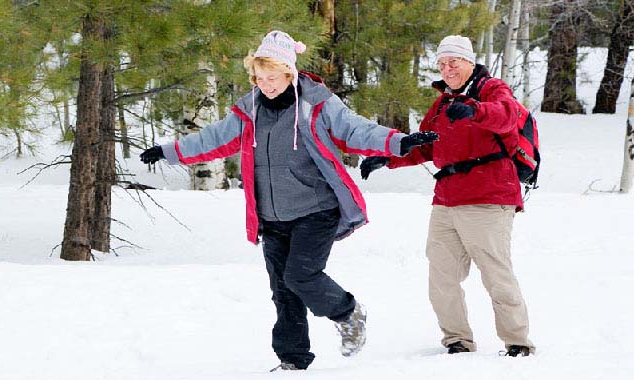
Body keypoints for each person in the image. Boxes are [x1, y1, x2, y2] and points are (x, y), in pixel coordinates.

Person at [140, 30, 437, 370]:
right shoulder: (249, 110)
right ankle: (292, 360)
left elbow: (355, 130)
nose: (266, 85)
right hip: (272, 217)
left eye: (273, 77)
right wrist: (169, 151)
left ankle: (348, 312)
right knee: (283, 290)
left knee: (301, 276)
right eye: (260, 77)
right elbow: (214, 138)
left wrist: (398, 142)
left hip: (316, 210)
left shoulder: (317, 103)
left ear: (289, 73)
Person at [360, 35, 535, 357]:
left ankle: (517, 342)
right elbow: (426, 145)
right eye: (442, 63)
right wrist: (388, 158)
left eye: (454, 61)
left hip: (488, 196)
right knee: (441, 277)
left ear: (470, 61)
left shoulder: (491, 90)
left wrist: (475, 111)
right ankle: (457, 340)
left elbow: (507, 116)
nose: (448, 68)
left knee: (496, 274)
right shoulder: (443, 103)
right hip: (446, 200)